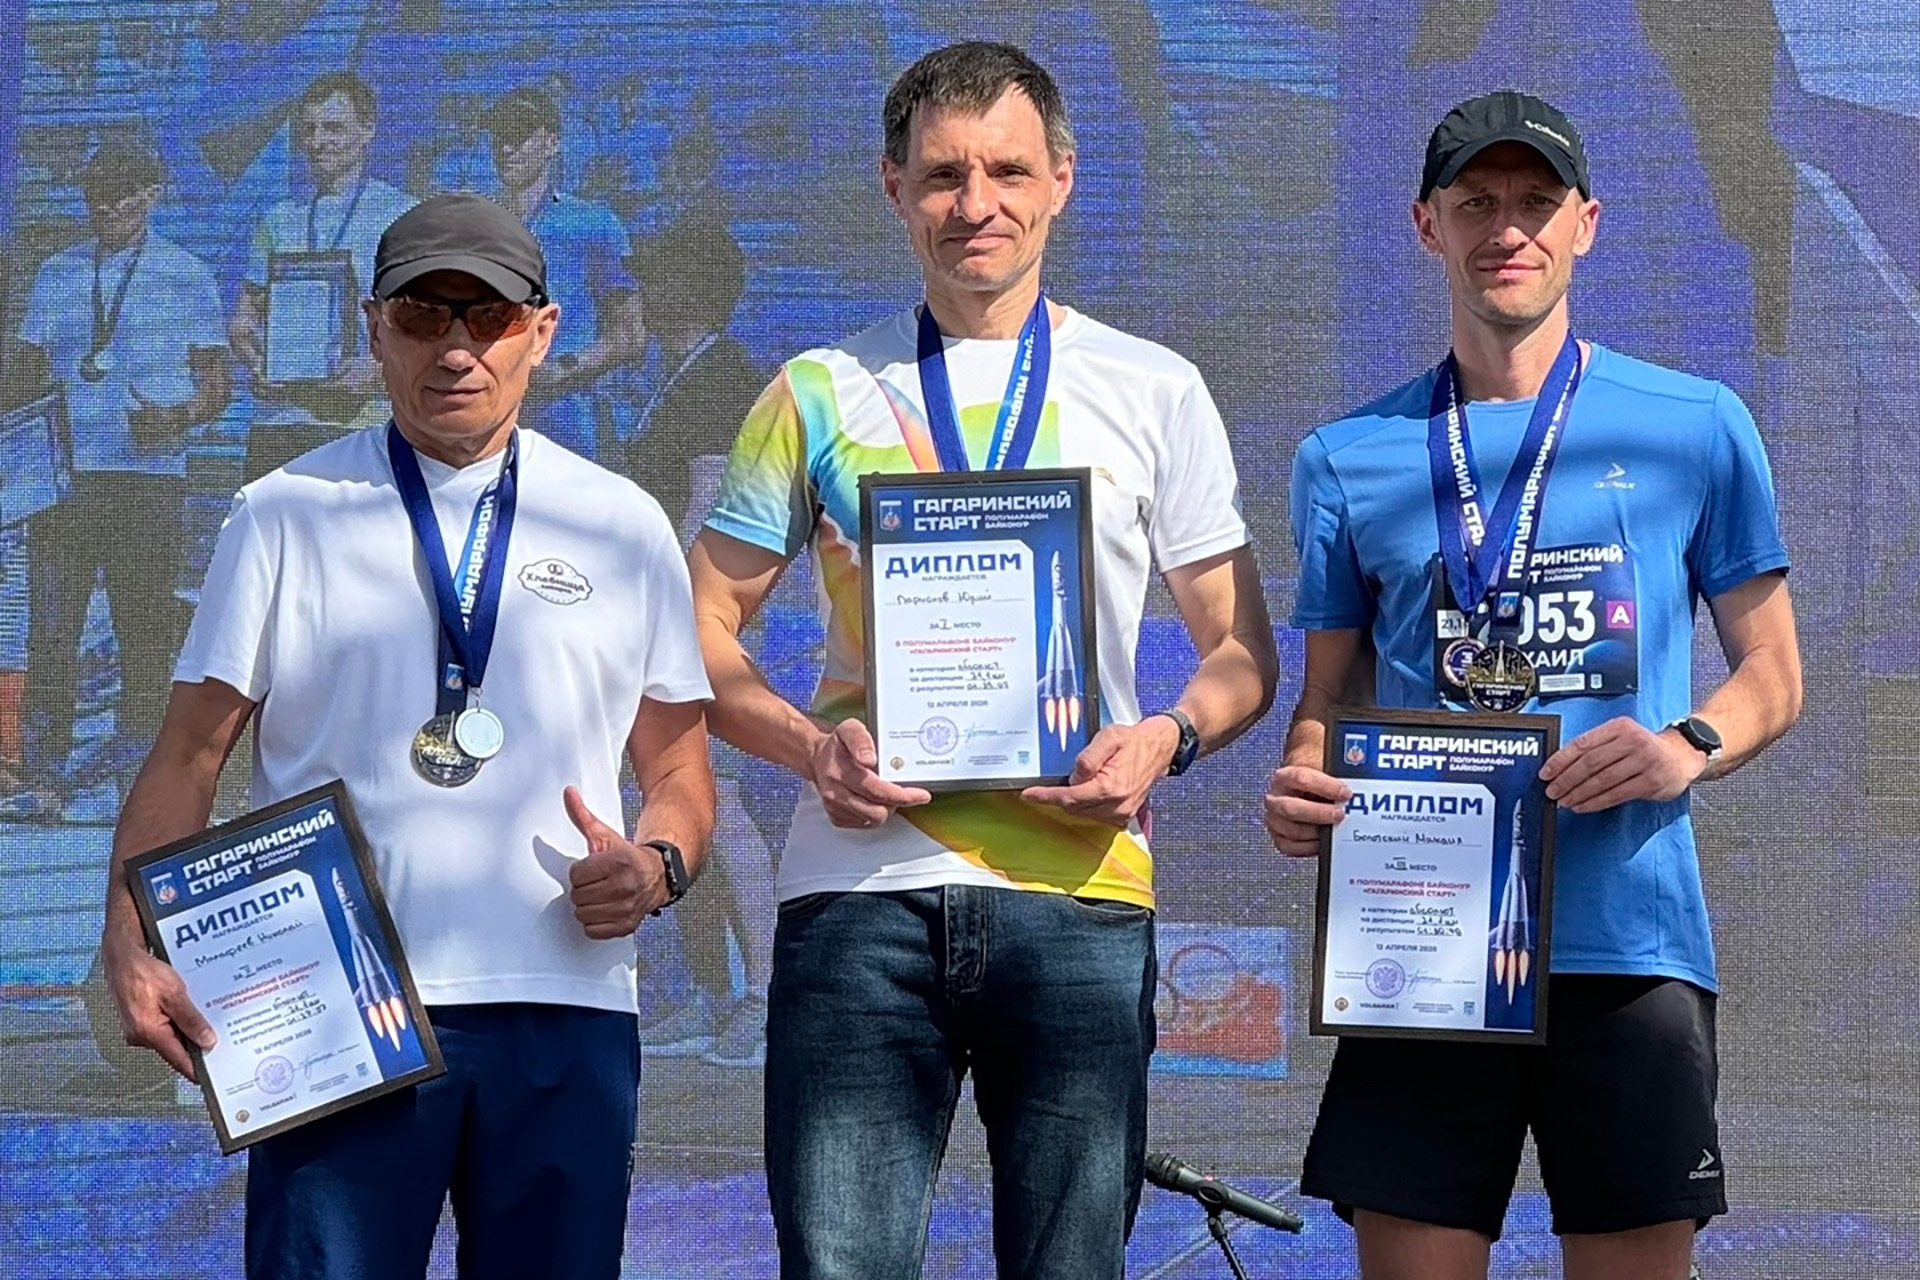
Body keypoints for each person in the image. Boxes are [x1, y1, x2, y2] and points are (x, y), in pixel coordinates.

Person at [689, 41, 1277, 1277]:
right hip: (858, 897)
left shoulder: (1155, 389)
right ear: (893, 185)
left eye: (1007, 171)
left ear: (1062, 177)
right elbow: (696, 629)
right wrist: (810, 747)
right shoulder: (814, 391)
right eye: (944, 174)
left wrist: (1164, 739)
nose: (976, 203)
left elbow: (1239, 649)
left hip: (1079, 891)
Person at [100, 192, 715, 1279]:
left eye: (489, 317)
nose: (457, 348)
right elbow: (188, 754)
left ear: (543, 331)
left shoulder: (620, 522)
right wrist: (126, 936)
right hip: (336, 1014)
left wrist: (658, 864)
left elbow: (677, 766)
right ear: (374, 327)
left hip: (562, 1009)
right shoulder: (283, 511)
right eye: (426, 315)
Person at [1265, 91, 1803, 1279]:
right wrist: (1303, 776)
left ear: (1585, 225)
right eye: (1477, 203)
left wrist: (1685, 744)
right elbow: (1328, 697)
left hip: (1628, 939)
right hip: (1424, 942)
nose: (1506, 228)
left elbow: (1774, 671)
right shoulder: (1346, 456)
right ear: (1428, 225)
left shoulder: (1697, 424)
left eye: (1535, 202)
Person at [5, 136, 231, 821]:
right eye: (97, 195)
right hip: (64, 483)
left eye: (122, 195)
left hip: (148, 478)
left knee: (143, 634)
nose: (107, 208)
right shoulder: (58, 272)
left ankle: (135, 779)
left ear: (152, 193)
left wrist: (179, 416)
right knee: (52, 634)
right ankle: (44, 777)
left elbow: (217, 383)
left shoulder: (186, 274)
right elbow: (25, 373)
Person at [626, 212, 780, 1067]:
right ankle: (710, 991)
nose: (641, 294)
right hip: (668, 625)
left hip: (696, 630)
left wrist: (672, 617)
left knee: (729, 812)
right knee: (677, 807)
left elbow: (710, 508)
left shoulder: (722, 375)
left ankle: (763, 997)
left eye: (654, 278)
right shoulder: (680, 375)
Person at [231, 72, 416, 482]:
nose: (318, 141)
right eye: (309, 129)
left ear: (367, 130)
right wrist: (257, 364)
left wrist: (379, 368)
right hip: (280, 421)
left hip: (362, 422)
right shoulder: (278, 219)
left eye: (333, 128)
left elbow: (429, 319)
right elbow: (243, 321)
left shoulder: (402, 215)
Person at [492, 85, 643, 462]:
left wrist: (562, 370)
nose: (507, 147)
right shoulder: (477, 227)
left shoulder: (593, 223)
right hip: (490, 419)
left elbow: (630, 334)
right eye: (499, 135)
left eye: (521, 134)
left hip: (569, 421)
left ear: (552, 142)